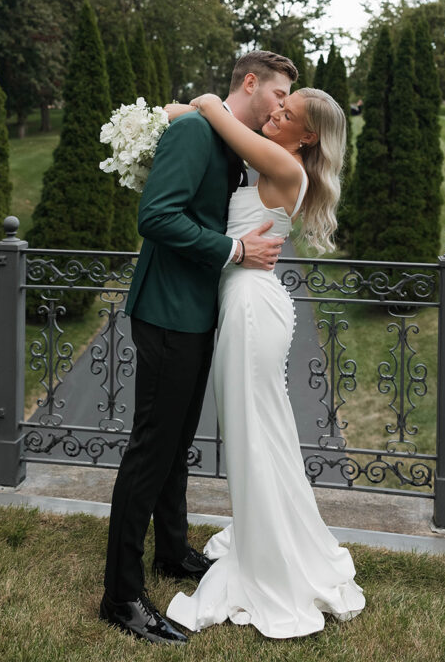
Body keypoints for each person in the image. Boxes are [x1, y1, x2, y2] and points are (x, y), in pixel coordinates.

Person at [100, 50, 298, 645]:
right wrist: (235, 253)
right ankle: (121, 595)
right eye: (281, 94)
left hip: (194, 313)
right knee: (150, 452)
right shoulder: (193, 132)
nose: (284, 105)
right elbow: (155, 216)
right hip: (166, 314)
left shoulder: (222, 136)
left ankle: (172, 553)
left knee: (175, 444)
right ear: (250, 82)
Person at [165, 87, 366, 639]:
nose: (275, 113)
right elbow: (212, 129)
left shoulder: (281, 160)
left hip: (253, 306)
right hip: (245, 300)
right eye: (278, 106)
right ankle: (269, 536)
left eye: (288, 112)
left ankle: (269, 563)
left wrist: (205, 100)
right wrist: (155, 120)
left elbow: (217, 118)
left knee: (254, 432)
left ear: (306, 135)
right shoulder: (276, 155)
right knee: (259, 431)